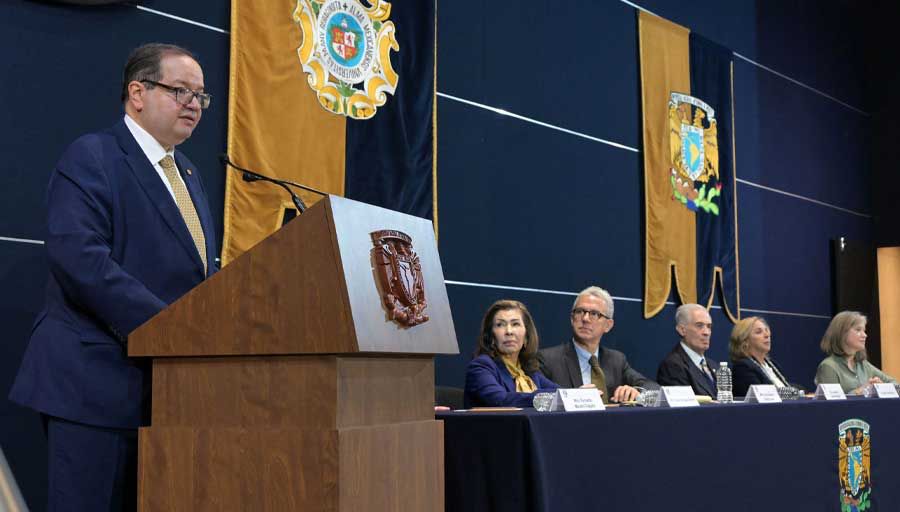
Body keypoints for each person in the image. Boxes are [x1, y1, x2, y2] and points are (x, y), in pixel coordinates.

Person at [8, 43, 218, 511]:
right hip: (94, 386)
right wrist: (171, 328)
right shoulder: (93, 155)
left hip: (167, 394)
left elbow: (199, 270)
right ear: (137, 93)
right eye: (180, 90)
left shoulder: (188, 172)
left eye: (201, 96)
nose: (194, 105)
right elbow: (80, 259)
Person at [538, 287, 656, 403]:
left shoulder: (616, 360)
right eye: (580, 311)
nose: (585, 318)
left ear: (608, 325)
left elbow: (653, 388)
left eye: (594, 314)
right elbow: (539, 398)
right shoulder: (548, 360)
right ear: (572, 319)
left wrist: (636, 391)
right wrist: (574, 398)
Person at [464, 300, 558, 408]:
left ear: (526, 336)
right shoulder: (481, 366)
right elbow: (501, 400)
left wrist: (577, 394)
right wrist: (542, 397)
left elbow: (559, 393)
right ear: (491, 337)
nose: (509, 331)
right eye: (500, 325)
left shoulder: (528, 371)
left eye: (515, 324)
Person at [815, 311, 896, 395]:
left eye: (864, 330)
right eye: (858, 330)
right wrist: (860, 391)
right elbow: (832, 403)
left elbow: (895, 384)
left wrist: (881, 387)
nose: (865, 335)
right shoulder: (828, 366)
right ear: (842, 333)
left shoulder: (863, 365)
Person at [657, 304, 719, 397]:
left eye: (709, 326)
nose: (706, 332)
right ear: (682, 330)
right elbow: (684, 409)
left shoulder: (714, 366)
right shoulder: (673, 366)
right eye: (699, 326)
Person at [728, 316, 793, 396]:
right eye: (759, 332)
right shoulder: (743, 367)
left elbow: (785, 387)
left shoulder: (772, 364)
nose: (767, 335)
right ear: (744, 340)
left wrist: (799, 392)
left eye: (767, 330)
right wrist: (797, 393)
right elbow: (765, 395)